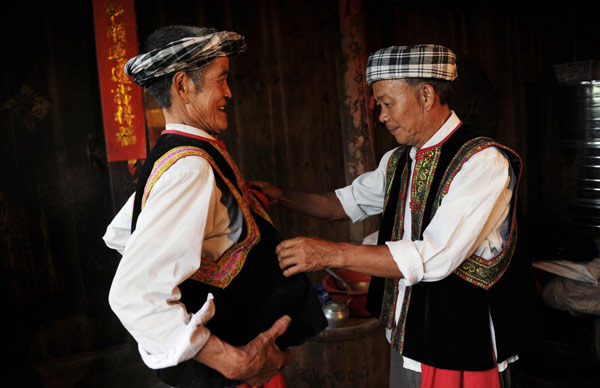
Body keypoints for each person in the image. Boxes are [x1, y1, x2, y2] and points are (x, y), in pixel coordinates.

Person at [254, 44, 531, 388]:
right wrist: (281, 196)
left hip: (461, 338)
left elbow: (435, 255)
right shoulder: (399, 160)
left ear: (427, 95)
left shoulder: (481, 161)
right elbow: (341, 204)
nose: (381, 116)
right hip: (409, 329)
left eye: (387, 103)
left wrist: (330, 253)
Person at [103, 25, 326, 388]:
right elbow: (135, 292)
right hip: (233, 375)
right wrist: (232, 360)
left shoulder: (184, 154)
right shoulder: (189, 167)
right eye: (221, 79)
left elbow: (124, 234)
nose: (228, 92)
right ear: (182, 86)